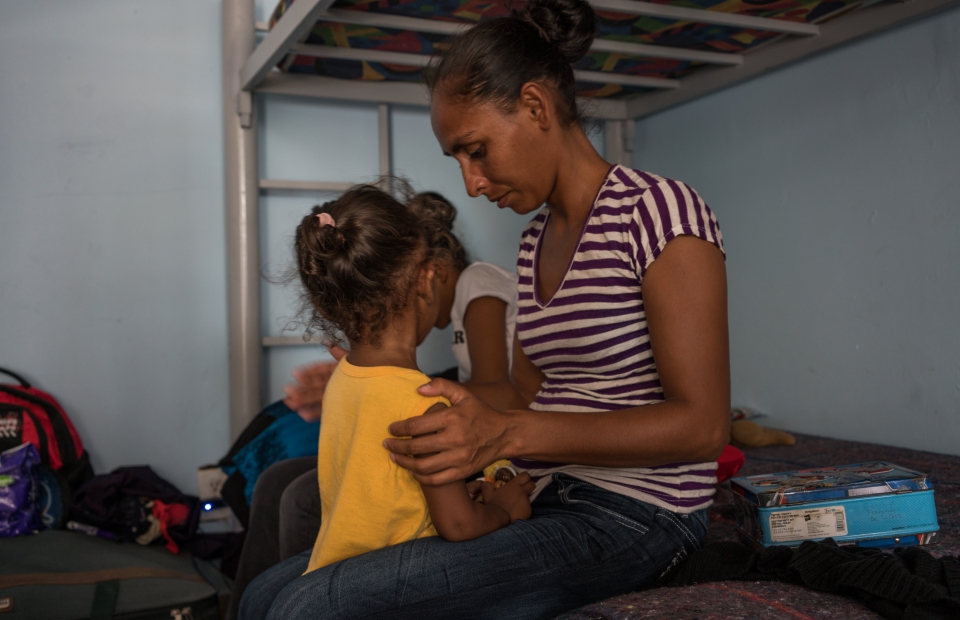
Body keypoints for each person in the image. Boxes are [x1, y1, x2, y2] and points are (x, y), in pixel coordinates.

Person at [241, 0, 730, 616]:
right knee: (267, 590)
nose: (471, 183)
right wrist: (373, 380)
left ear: (535, 106)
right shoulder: (533, 243)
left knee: (307, 606)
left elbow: (704, 426)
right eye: (458, 162)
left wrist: (513, 433)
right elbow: (520, 394)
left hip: (639, 514)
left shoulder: (659, 214)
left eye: (477, 151)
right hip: (542, 485)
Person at [238, 185, 535, 619]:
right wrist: (503, 508)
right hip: (390, 585)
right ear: (427, 279)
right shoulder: (425, 405)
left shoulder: (342, 378)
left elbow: (388, 486)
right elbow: (458, 526)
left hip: (336, 565)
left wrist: (467, 490)